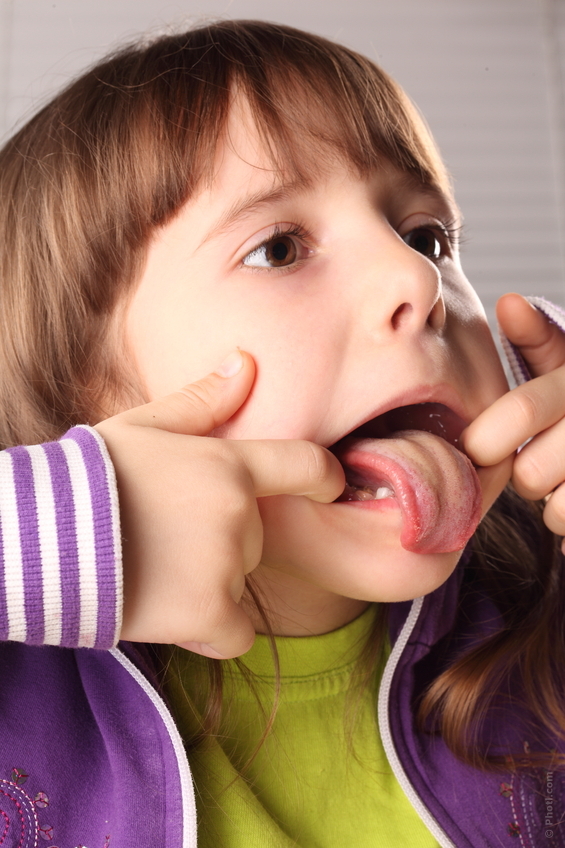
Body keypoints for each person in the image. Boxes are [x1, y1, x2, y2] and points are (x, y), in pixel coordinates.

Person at [0, 19, 564, 848]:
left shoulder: (536, 620)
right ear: (94, 396)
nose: (412, 276)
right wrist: (45, 533)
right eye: (277, 249)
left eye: (427, 238)